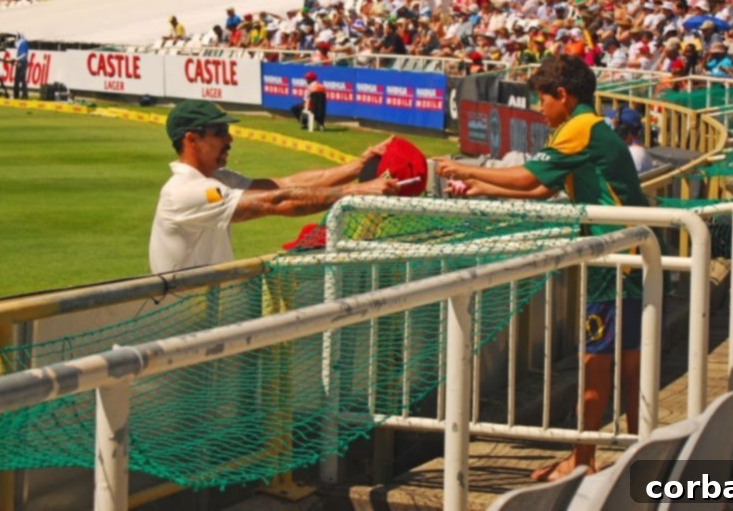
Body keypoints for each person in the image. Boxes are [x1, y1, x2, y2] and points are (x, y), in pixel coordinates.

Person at [435, 56, 648, 481]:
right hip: (633, 253)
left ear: (563, 97)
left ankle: (585, 460)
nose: (539, 110)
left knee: (597, 362)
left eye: (542, 101)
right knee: (629, 364)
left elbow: (527, 175)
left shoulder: (577, 129)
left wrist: (461, 167)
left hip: (613, 262)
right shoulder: (590, 128)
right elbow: (540, 187)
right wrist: (482, 185)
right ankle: (635, 456)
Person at [150, 100, 398, 272]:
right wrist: (353, 192)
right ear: (192, 139)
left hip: (202, 312)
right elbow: (276, 201)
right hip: (184, 323)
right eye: (219, 131)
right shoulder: (186, 191)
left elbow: (284, 185)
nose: (229, 138)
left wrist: (358, 165)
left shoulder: (218, 179)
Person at [13, 32, 29, 100]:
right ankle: (18, 95)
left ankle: (23, 95)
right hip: (21, 62)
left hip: (22, 63)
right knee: (19, 80)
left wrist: (16, 59)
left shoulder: (23, 43)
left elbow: (23, 54)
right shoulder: (22, 43)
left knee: (21, 80)